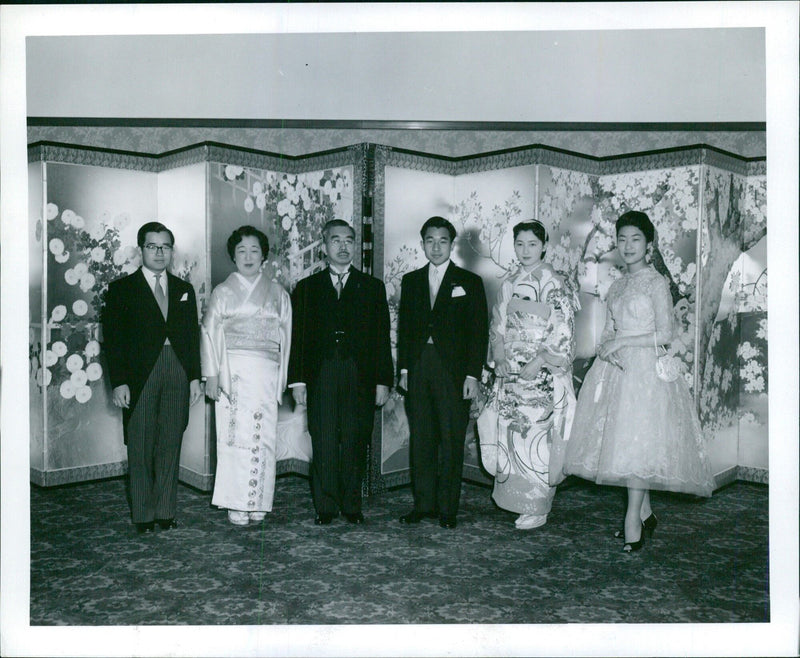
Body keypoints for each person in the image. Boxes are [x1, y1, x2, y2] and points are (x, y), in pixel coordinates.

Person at [562, 210, 714, 552]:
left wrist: (624, 342)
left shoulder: (656, 282)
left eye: (636, 239)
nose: (627, 246)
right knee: (623, 447)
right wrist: (606, 347)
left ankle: (632, 520)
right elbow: (609, 331)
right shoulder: (616, 285)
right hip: (616, 370)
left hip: (646, 374)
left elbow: (666, 333)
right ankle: (645, 514)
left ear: (649, 244)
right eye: (622, 239)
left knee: (637, 447)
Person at [288, 219, 393, 525]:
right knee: (322, 438)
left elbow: (382, 338)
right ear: (324, 246)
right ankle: (325, 506)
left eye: (349, 241)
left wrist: (382, 381)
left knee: (355, 437)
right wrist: (298, 381)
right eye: (336, 241)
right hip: (321, 373)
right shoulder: (307, 288)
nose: (343, 247)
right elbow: (298, 339)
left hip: (359, 374)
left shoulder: (372, 287)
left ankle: (351, 504)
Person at [103, 221, 203, 534]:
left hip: (177, 369)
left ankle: (166, 512)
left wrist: (194, 378)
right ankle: (144, 516)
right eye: (152, 246)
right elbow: (113, 340)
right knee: (141, 445)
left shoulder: (184, 290)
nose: (159, 252)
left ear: (172, 251)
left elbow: (192, 336)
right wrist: (118, 381)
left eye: (165, 246)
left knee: (171, 442)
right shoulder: (121, 289)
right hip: (139, 374)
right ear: (141, 250)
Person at [485, 220, 578, 529]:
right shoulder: (509, 281)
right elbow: (498, 326)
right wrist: (498, 357)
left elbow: (562, 327)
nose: (526, 251)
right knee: (513, 437)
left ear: (544, 246)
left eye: (532, 244)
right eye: (520, 244)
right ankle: (516, 501)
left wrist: (539, 360)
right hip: (511, 371)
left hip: (541, 375)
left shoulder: (555, 281)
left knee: (538, 438)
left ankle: (538, 506)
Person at [396, 216, 489, 529]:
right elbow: (405, 330)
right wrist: (405, 370)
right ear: (422, 244)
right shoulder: (410, 281)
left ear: (452, 244)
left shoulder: (470, 281)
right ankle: (423, 505)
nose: (436, 247)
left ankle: (448, 509)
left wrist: (472, 376)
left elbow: (479, 333)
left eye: (442, 241)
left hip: (454, 372)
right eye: (430, 241)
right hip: (419, 367)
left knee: (450, 440)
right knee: (421, 439)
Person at [201, 226, 292, 526]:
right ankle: (237, 502)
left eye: (255, 250)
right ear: (233, 256)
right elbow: (209, 334)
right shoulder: (223, 292)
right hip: (233, 372)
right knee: (233, 438)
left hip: (266, 371)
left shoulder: (278, 292)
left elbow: (287, 337)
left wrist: (283, 380)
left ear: (264, 255)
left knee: (263, 437)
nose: (248, 256)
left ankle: (259, 501)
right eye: (242, 251)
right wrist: (211, 375)